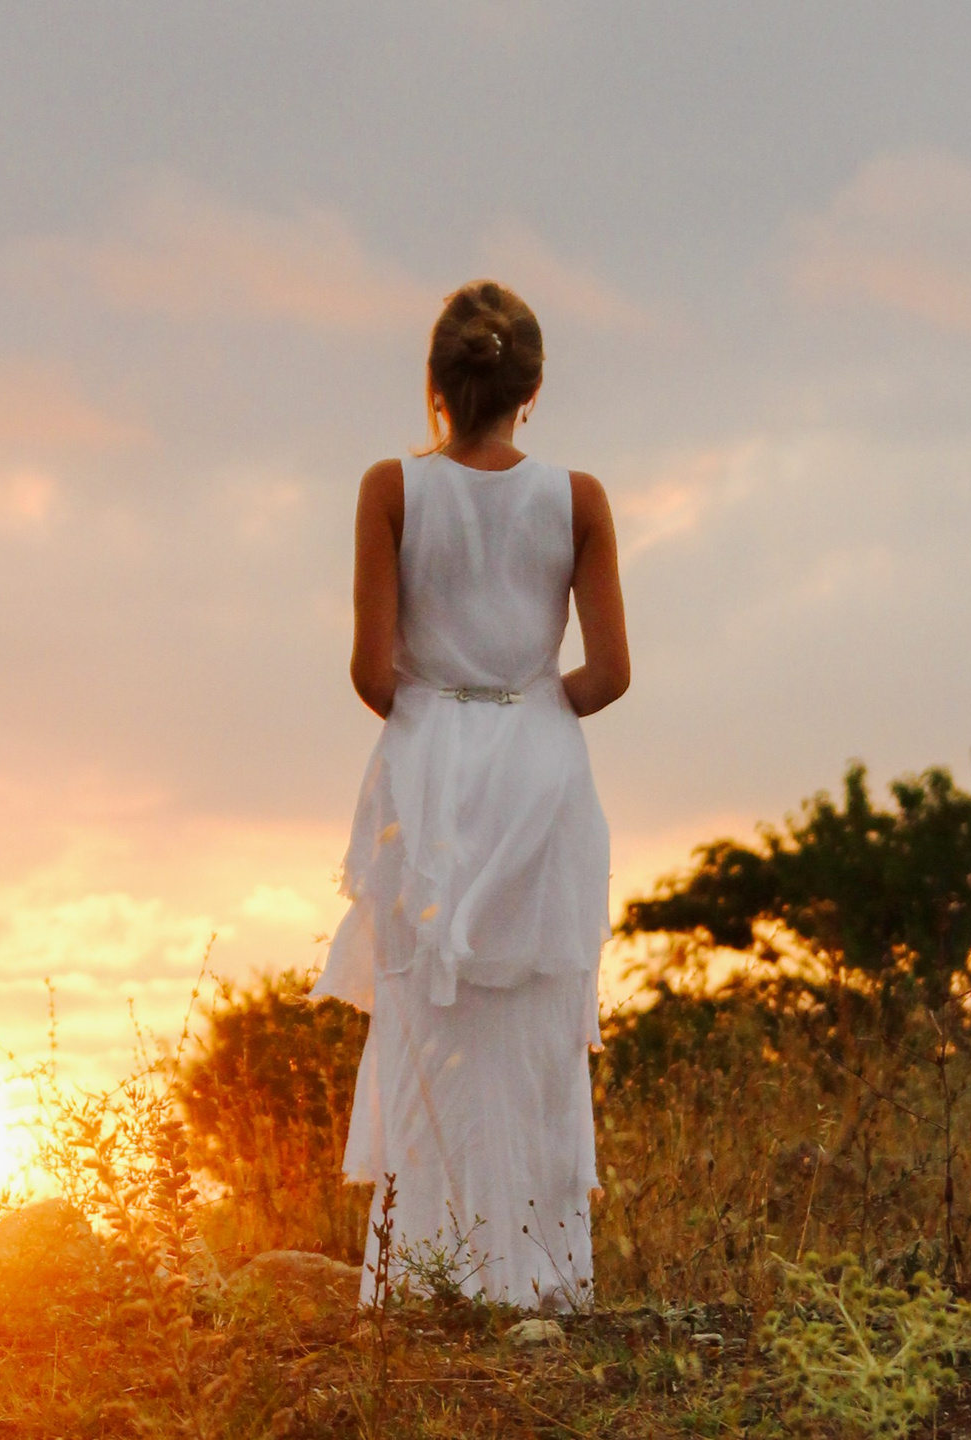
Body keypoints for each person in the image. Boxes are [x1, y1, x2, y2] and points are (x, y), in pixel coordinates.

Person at [308, 280, 629, 1311]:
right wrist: (526, 710)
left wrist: (449, 714)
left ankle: (428, 1279)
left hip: (429, 762)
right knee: (534, 1017)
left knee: (427, 1015)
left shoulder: (390, 488)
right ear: (529, 390)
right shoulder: (577, 498)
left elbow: (369, 672)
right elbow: (611, 671)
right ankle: (540, 1279)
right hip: (542, 767)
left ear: (436, 384)